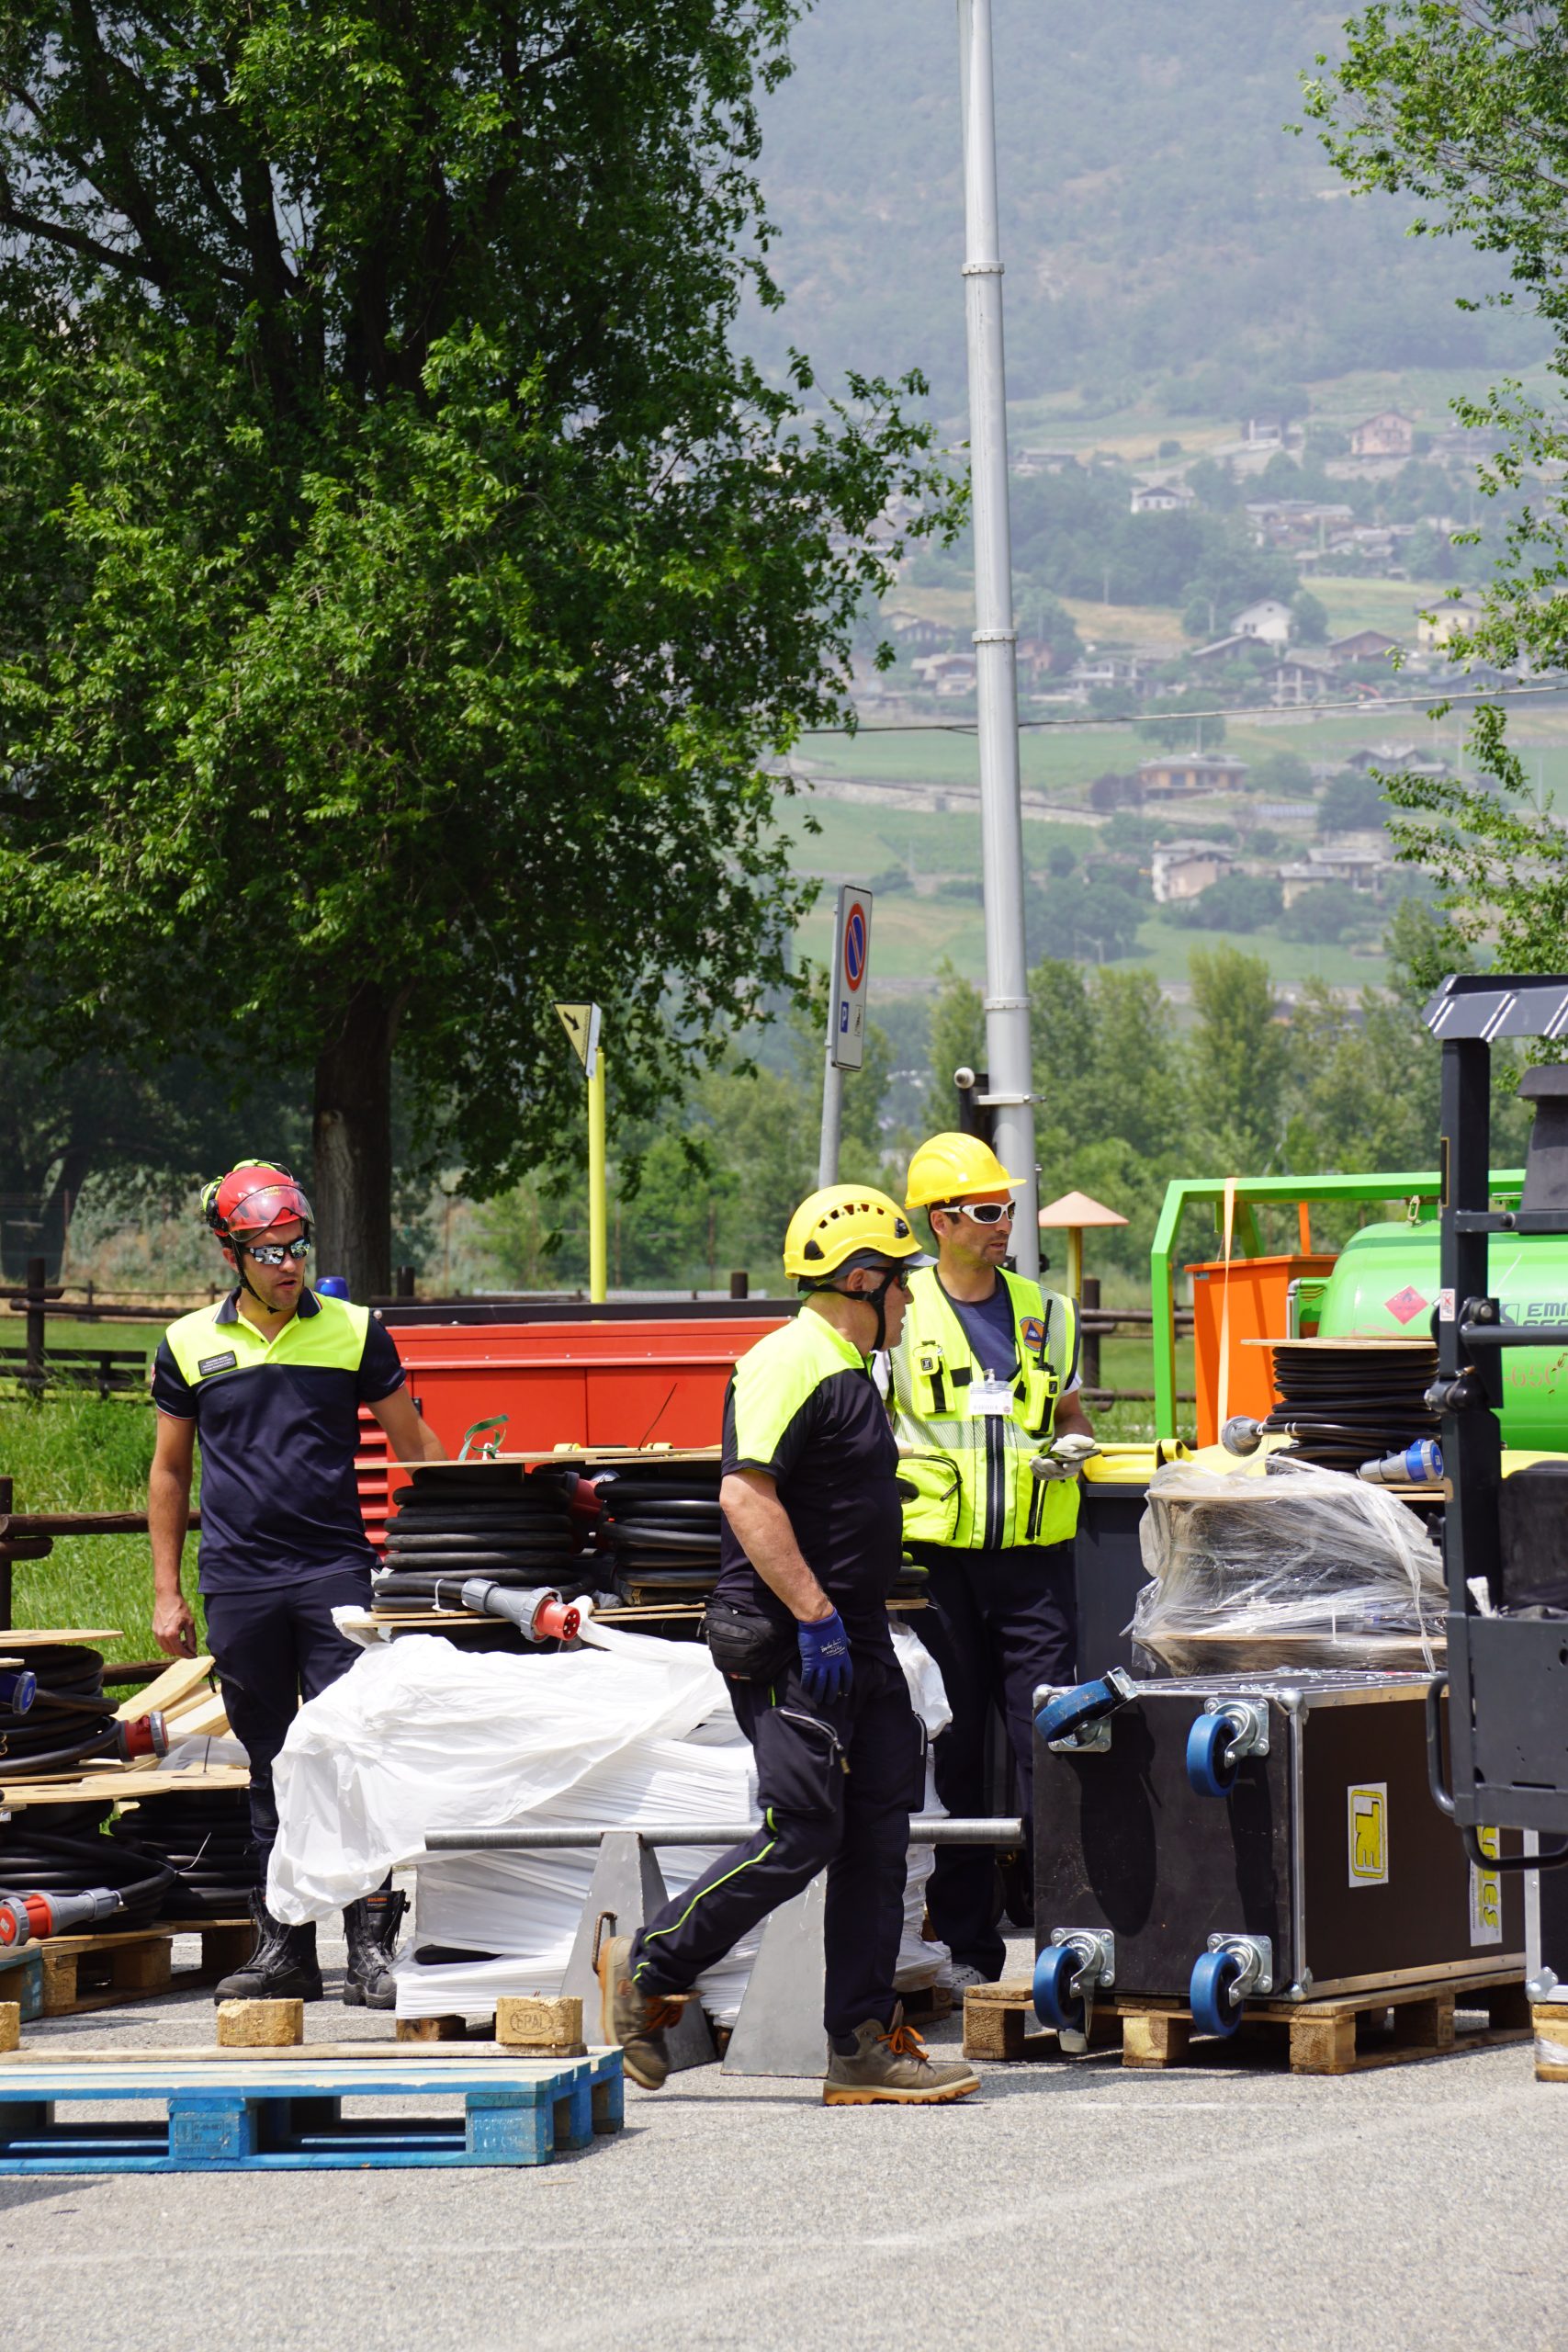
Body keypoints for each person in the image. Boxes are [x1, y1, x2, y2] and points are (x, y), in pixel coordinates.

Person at [598, 1183, 980, 2107]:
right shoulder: (787, 1360)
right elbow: (747, 1495)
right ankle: (653, 1966)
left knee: (878, 1837)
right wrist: (812, 1616)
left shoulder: (852, 1368)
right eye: (904, 1286)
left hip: (856, 1635)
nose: (911, 1303)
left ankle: (856, 2044)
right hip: (789, 1636)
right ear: (863, 1279)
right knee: (802, 1830)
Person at [148, 1161, 445, 2006]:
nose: (288, 1262)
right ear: (231, 1253)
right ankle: (283, 1948)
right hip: (239, 1582)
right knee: (271, 1765)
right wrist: (168, 1591)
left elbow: (414, 1449)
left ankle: (372, 1948)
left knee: (353, 1753)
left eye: (297, 1245)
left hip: (334, 1575)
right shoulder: (186, 1344)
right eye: (269, 1249)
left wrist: (434, 1560)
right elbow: (170, 1474)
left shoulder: (354, 1331)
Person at [890, 1133, 1097, 1990]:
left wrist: (1076, 1446)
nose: (1002, 1223)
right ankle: (971, 1950)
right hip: (935, 1568)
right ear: (940, 1222)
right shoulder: (897, 1313)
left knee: (1050, 1740)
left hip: (1033, 1565)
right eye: (984, 1211)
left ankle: (1065, 1940)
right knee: (958, 1751)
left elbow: (1071, 1410)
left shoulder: (1045, 1312)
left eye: (1007, 1208)